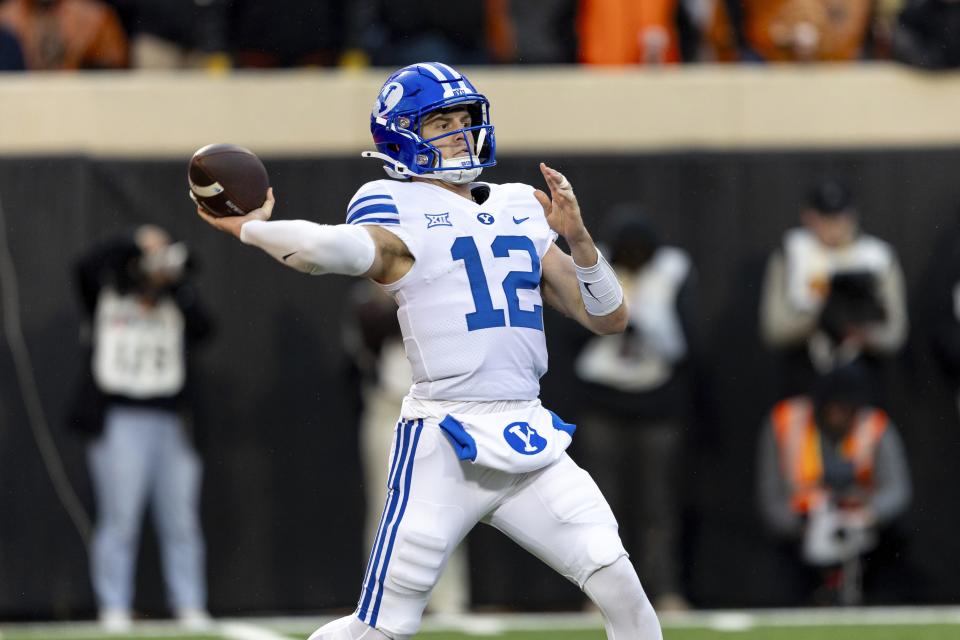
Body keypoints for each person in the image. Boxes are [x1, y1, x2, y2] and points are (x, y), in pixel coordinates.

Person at [195, 62, 662, 640]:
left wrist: (579, 238)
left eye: (466, 120)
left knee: (623, 590)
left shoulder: (518, 203)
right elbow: (325, 250)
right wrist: (253, 229)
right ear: (402, 135)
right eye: (442, 122)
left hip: (527, 431)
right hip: (445, 439)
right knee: (383, 628)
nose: (461, 134)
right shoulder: (393, 203)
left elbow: (609, 317)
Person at [70, 225, 213, 632]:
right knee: (120, 519)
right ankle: (114, 606)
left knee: (181, 520)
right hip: (119, 419)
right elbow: (84, 266)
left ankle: (189, 603)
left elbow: (206, 328)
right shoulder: (107, 293)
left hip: (172, 421)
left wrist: (176, 280)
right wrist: (135, 242)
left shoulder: (177, 301)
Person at [573, 208, 697, 611]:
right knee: (600, 505)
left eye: (641, 253)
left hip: (656, 400)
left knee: (658, 505)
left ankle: (663, 590)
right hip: (604, 399)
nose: (634, 259)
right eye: (627, 252)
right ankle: (602, 595)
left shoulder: (672, 271)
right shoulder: (593, 265)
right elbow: (571, 334)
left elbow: (686, 344)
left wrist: (645, 322)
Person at [343, 280, 471, 615]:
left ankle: (449, 600)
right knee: (385, 507)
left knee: (444, 505)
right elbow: (373, 330)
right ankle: (383, 598)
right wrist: (401, 292)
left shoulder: (441, 290)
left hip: (437, 411)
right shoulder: (367, 299)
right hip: (388, 409)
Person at [756, 363, 912, 605]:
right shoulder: (786, 421)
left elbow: (897, 490)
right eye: (835, 409)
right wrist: (801, 526)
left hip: (863, 533)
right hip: (800, 535)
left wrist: (868, 515)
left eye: (847, 410)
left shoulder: (874, 426)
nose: (840, 416)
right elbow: (770, 496)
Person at [759, 178, 908, 395]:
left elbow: (895, 333)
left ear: (852, 216)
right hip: (805, 372)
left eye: (839, 218)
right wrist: (820, 317)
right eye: (825, 218)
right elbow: (774, 329)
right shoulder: (791, 253)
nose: (833, 226)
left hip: (863, 373)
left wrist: (859, 328)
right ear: (808, 217)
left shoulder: (877, 257)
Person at [0, 0, 128, 70]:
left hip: (81, 103)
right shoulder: (7, 18)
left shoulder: (94, 17)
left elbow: (114, 76)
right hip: (24, 104)